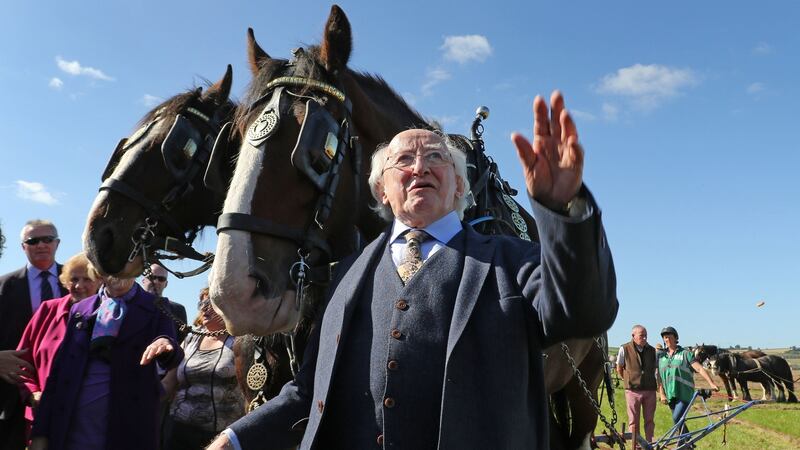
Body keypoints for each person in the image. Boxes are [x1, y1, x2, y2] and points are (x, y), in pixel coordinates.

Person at [209, 91, 618, 450]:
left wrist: (565, 213)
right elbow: (308, 392)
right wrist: (236, 438)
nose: (419, 167)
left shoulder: (514, 261)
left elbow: (583, 312)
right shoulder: (345, 277)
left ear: (459, 187)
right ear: (381, 190)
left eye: (436, 158)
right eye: (403, 160)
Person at [29, 275, 184, 450]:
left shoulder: (157, 306)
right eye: (112, 264)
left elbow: (172, 356)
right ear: (99, 270)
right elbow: (57, 375)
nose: (119, 271)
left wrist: (165, 342)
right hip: (70, 433)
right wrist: (40, 433)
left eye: (127, 262)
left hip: (124, 432)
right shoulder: (80, 308)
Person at [16, 253, 102, 442]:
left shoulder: (108, 319)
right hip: (41, 417)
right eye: (73, 279)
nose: (79, 286)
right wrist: (32, 393)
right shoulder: (47, 310)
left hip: (85, 421)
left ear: (99, 282)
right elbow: (21, 361)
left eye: (87, 279)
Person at [0, 220, 67, 449]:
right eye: (33, 240)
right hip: (11, 390)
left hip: (64, 385)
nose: (41, 245)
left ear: (57, 243)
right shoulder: (3, 285)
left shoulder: (79, 281)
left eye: (47, 239)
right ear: (23, 247)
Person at [164, 288, 244, 449]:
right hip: (180, 431)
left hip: (222, 437)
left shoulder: (241, 339)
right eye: (202, 302)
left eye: (211, 302)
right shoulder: (191, 338)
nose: (204, 307)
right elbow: (169, 383)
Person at [657, 326, 719, 448]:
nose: (667, 338)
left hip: (684, 393)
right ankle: (687, 444)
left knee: (676, 418)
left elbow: (700, 368)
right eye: (665, 337)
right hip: (670, 394)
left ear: (676, 338)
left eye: (670, 336)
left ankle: (685, 441)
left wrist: (711, 383)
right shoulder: (662, 357)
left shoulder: (686, 354)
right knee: (679, 421)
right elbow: (659, 377)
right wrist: (662, 394)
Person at [616, 325, 659, 449]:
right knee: (634, 421)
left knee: (649, 420)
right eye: (641, 336)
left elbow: (655, 368)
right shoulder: (624, 348)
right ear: (633, 336)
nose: (644, 338)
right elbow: (619, 367)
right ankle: (636, 446)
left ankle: (649, 444)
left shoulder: (652, 350)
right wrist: (627, 379)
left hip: (650, 390)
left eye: (646, 335)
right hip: (632, 391)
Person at [141, 264, 189, 343]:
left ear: (166, 284)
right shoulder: (129, 304)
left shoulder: (178, 309)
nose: (156, 281)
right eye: (152, 277)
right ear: (143, 280)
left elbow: (181, 342)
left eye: (161, 279)